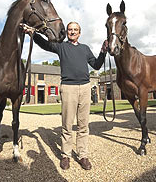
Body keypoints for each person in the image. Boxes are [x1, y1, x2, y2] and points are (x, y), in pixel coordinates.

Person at [21, 22, 108, 170]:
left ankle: (82, 155)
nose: (72, 32)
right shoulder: (62, 46)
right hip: (68, 88)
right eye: (70, 30)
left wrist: (103, 51)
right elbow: (45, 45)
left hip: (85, 88)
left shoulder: (85, 48)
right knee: (67, 125)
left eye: (75, 30)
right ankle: (66, 155)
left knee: (83, 125)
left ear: (79, 33)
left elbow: (97, 65)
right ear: (67, 32)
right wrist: (33, 34)